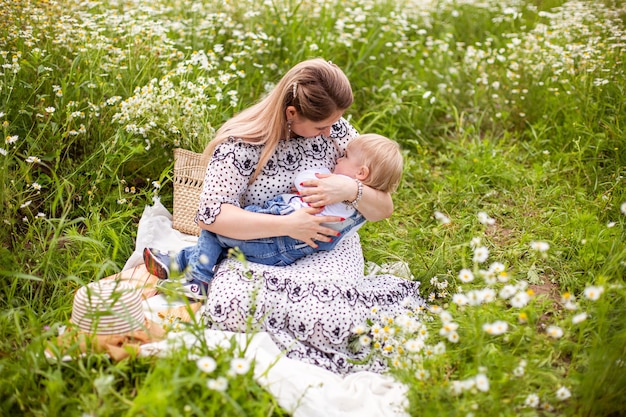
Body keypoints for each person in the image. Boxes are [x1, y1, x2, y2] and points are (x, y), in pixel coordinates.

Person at [163, 58, 424, 374]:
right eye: (321, 126)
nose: (330, 132)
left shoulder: (335, 128)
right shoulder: (241, 145)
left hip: (325, 251)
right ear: (291, 113)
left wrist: (349, 188)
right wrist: (288, 224)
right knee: (231, 307)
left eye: (334, 124)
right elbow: (210, 217)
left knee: (337, 320)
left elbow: (384, 207)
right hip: (260, 247)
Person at [143, 134, 404, 299]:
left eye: (345, 156)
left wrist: (333, 180)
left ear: (361, 173)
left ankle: (198, 280)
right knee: (227, 244)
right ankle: (177, 262)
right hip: (282, 240)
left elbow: (304, 179)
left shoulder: (333, 185)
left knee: (216, 231)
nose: (338, 156)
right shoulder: (355, 207)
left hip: (278, 242)